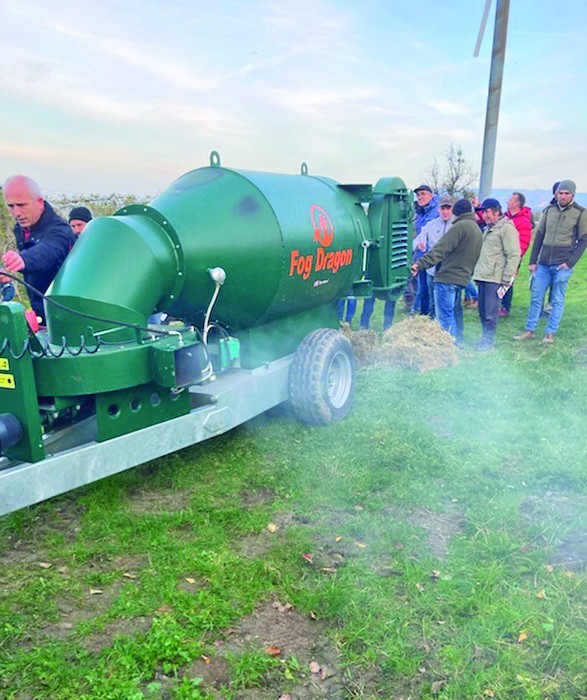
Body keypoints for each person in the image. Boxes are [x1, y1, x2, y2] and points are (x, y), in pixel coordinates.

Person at [515, 180, 587, 345]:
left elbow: (584, 240)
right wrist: (533, 261)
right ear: (556, 194)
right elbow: (539, 236)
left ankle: (550, 333)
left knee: (557, 300)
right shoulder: (549, 210)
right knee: (536, 297)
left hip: (562, 264)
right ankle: (530, 330)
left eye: (566, 193)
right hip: (544, 263)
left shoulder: (580, 213)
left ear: (572, 195)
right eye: (560, 193)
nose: (562, 196)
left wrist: (570, 263)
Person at [1, 175, 76, 324]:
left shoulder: (59, 230)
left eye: (21, 205)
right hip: (41, 314)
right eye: (11, 206)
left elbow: (48, 250)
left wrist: (24, 259)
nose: (16, 213)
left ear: (39, 202)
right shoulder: (22, 228)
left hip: (67, 316)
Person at [411, 198, 482, 342]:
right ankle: (457, 342)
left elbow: (440, 249)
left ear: (456, 212)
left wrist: (419, 264)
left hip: (447, 279)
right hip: (461, 278)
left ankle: (448, 349)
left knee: (444, 317)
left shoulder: (459, 227)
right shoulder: (475, 228)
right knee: (453, 312)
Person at [473, 198, 521, 350]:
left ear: (496, 211)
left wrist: (507, 278)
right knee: (482, 311)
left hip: (495, 277)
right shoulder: (488, 228)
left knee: (490, 313)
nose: (485, 215)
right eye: (484, 212)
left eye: (487, 211)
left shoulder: (506, 228)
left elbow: (514, 254)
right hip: (483, 276)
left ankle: (488, 344)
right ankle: (484, 340)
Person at [413, 194, 455, 319]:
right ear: (438, 209)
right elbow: (418, 239)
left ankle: (454, 333)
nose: (445, 212)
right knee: (433, 301)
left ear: (452, 209)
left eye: (448, 208)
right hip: (433, 270)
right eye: (443, 208)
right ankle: (433, 328)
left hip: (451, 271)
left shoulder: (457, 225)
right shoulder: (431, 225)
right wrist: (416, 246)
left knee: (451, 305)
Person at [499, 192, 533, 316]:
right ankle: (497, 303)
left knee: (508, 281)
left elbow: (524, 241)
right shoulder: (505, 218)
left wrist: (516, 257)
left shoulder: (523, 221)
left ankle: (505, 306)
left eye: (510, 200)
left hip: (513, 256)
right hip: (500, 255)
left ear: (516, 203)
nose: (507, 202)